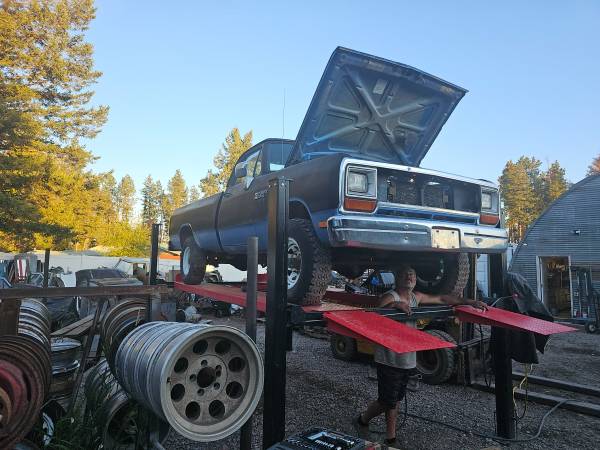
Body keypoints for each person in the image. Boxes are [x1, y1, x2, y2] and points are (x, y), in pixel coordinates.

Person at [353, 264, 488, 446]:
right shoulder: (389, 296)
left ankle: (384, 433)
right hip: (390, 357)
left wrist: (470, 302)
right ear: (398, 279)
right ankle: (369, 424)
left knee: (395, 399)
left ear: (416, 280)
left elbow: (442, 298)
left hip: (407, 357)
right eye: (405, 274)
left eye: (412, 275)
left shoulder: (415, 297)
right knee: (387, 400)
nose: (409, 277)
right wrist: (395, 305)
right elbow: (378, 311)